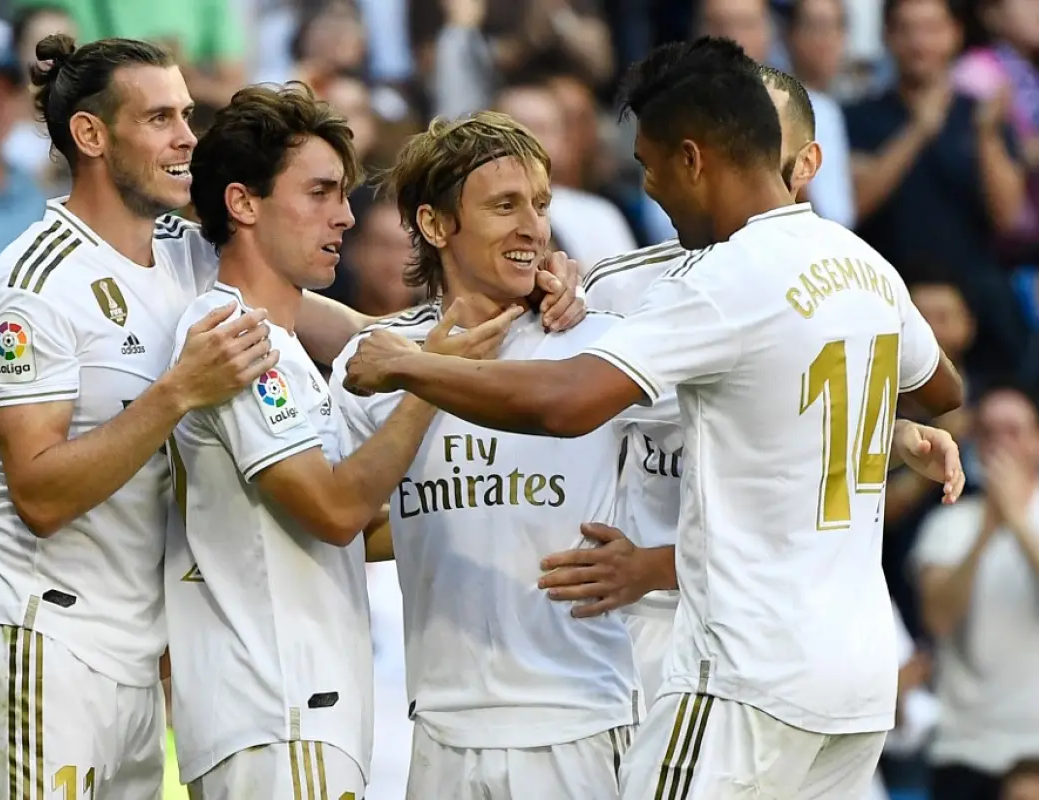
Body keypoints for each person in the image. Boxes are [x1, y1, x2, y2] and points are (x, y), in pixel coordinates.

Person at [342, 37, 964, 798]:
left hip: (745, 674)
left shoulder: (721, 279)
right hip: (855, 683)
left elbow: (570, 404)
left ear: (694, 158)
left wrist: (410, 367)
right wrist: (885, 427)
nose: (650, 187)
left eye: (651, 162)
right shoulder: (860, 261)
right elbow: (943, 387)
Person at [539, 63, 965, 705]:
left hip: (745, 634)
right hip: (637, 627)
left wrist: (875, 426)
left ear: (802, 163)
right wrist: (540, 296)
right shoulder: (617, 284)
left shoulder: (839, 277)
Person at [0, 35, 277, 799]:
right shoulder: (32, 287)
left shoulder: (190, 255)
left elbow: (322, 321)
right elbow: (41, 495)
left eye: (186, 114)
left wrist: (455, 333)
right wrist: (176, 392)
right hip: (38, 645)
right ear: (90, 135)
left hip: (140, 666)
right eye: (160, 118)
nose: (188, 136)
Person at [163, 83, 517, 800]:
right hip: (276, 712)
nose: (345, 216)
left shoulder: (285, 344)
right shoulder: (235, 338)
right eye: (321, 192)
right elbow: (333, 510)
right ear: (243, 203)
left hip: (303, 714)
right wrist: (430, 384)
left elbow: (342, 529)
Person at [329, 110, 640, 800]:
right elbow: (344, 525)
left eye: (540, 205)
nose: (533, 226)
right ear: (436, 226)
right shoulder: (373, 362)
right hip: (439, 722)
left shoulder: (602, 348)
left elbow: (735, 438)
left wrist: (654, 565)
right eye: (505, 206)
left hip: (577, 719)